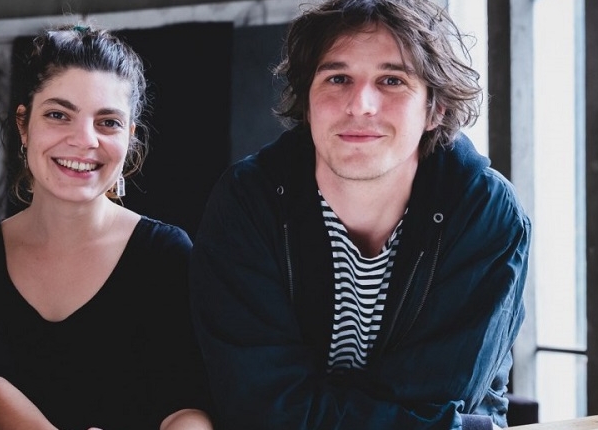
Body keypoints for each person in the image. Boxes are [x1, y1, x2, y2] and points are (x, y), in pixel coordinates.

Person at [188, 0, 531, 429]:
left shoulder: (484, 211)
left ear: (435, 109)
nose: (361, 104)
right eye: (338, 78)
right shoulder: (249, 202)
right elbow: (259, 406)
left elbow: (438, 399)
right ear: (307, 103)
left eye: (392, 80)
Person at [0, 24, 214, 430]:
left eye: (108, 122)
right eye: (58, 115)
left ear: (130, 137)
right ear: (23, 124)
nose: (84, 139)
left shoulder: (166, 254)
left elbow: (188, 406)